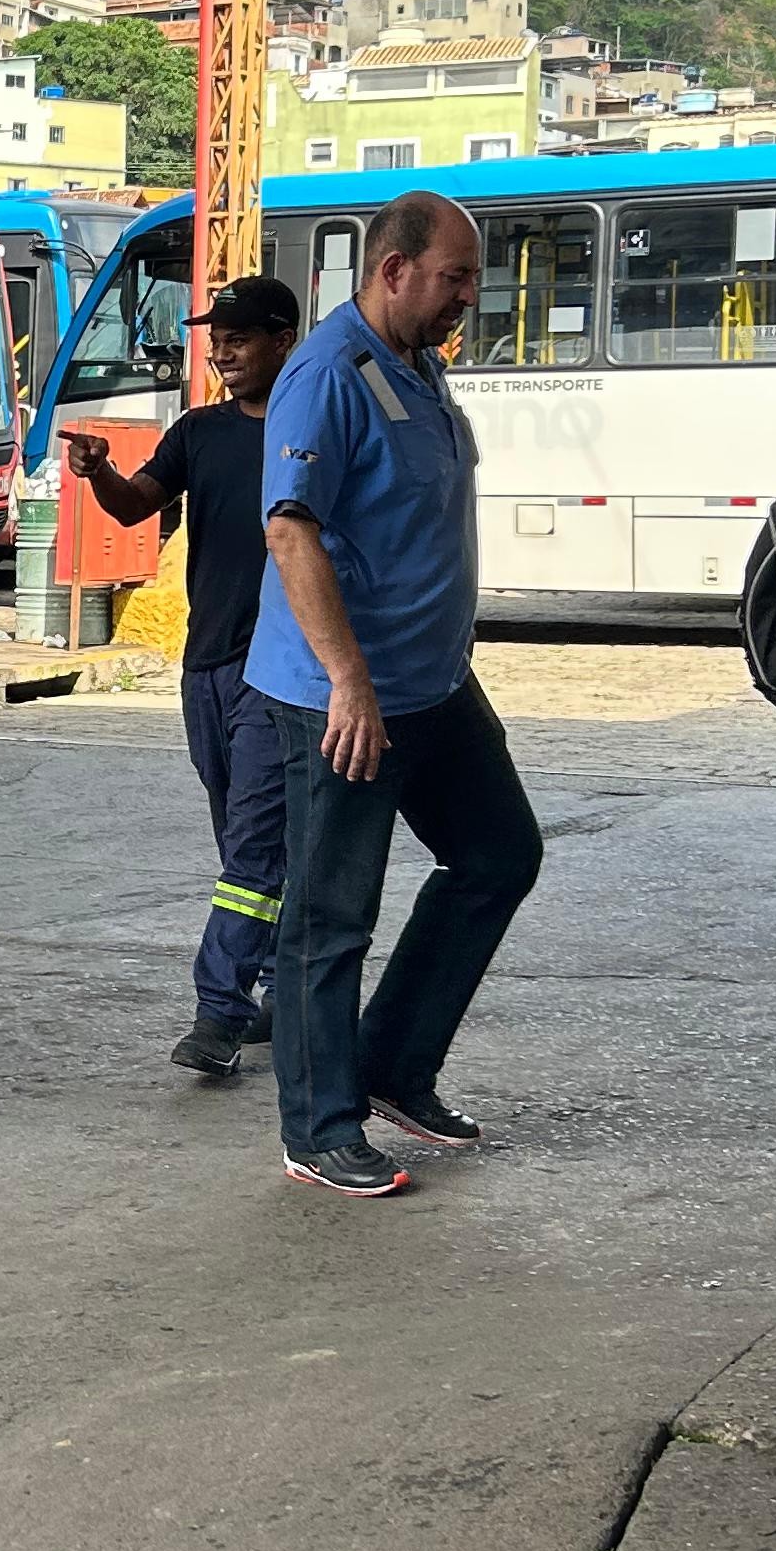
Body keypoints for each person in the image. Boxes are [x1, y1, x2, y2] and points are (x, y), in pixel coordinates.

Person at [250, 198, 544, 1198]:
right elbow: (290, 531)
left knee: (500, 854)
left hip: (433, 686)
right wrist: (348, 680)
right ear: (392, 269)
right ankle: (319, 1127)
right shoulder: (325, 375)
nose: (471, 293)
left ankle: (392, 1066)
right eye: (456, 276)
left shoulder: (418, 360)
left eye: (472, 276)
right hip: (344, 695)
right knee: (330, 916)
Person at [58, 272, 304, 1084]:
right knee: (242, 841)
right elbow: (135, 508)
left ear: (283, 339)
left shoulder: (314, 429)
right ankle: (278, 987)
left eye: (238, 337)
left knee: (253, 850)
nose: (223, 350)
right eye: (215, 337)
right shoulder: (199, 431)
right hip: (206, 666)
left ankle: (218, 1015)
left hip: (279, 670)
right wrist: (96, 471)